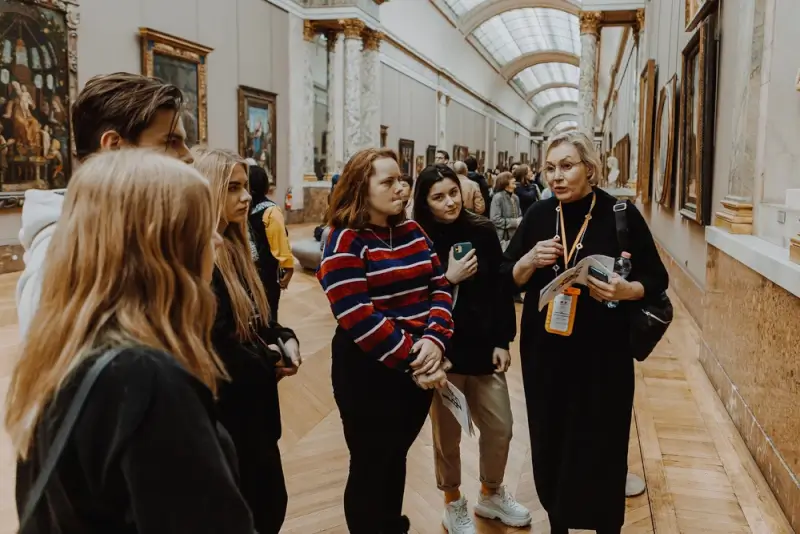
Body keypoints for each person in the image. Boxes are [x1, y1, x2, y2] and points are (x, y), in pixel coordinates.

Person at [9, 149, 255, 532]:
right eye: (200, 226)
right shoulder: (148, 379)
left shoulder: (63, 349)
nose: (217, 241)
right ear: (159, 246)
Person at [502, 131, 669, 534]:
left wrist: (628, 289)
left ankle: (604, 525)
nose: (556, 176)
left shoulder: (620, 215)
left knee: (602, 442)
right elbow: (507, 279)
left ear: (590, 170)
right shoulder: (540, 215)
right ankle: (558, 520)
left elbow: (656, 278)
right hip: (546, 353)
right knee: (550, 438)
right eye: (550, 168)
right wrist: (527, 260)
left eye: (567, 166)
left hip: (603, 356)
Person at [317, 148, 454, 534]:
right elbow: (357, 314)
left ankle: (391, 525)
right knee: (369, 463)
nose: (401, 188)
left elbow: (440, 287)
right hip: (367, 371)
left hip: (417, 367)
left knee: (395, 457)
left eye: (401, 179)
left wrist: (435, 341)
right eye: (389, 181)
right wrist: (416, 355)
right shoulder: (345, 239)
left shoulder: (412, 230)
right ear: (362, 188)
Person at [15, 72, 192, 338]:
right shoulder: (60, 255)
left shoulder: (128, 231)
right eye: (171, 142)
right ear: (114, 145)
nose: (188, 156)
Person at [413, 164, 531, 533]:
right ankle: (453, 502)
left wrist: (502, 340)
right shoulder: (416, 237)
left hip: (482, 349)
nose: (450, 202)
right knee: (446, 437)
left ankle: (490, 493)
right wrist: (448, 280)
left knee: (501, 427)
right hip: (442, 355)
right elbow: (412, 299)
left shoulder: (481, 229)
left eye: (453, 193)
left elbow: (499, 288)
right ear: (425, 202)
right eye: (438, 197)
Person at [192, 147, 302, 534]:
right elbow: (217, 344)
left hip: (256, 413)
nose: (246, 196)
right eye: (233, 188)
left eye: (245, 187)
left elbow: (259, 319)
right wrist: (271, 359)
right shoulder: (202, 258)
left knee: (271, 505)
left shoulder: (240, 246)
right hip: (228, 414)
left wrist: (285, 338)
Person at [248, 164, 293, 322]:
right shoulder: (271, 211)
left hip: (246, 271)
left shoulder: (242, 209)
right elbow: (279, 241)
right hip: (266, 272)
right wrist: (288, 266)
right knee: (269, 310)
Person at [490, 172, 522, 248]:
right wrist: (515, 222)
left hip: (515, 237)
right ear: (505, 182)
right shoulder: (498, 197)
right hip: (503, 238)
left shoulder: (515, 197)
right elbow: (495, 220)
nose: (514, 180)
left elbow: (519, 215)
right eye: (511, 178)